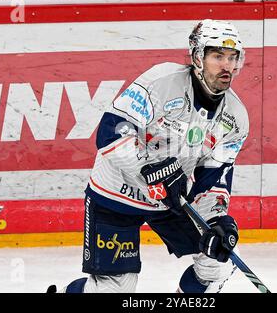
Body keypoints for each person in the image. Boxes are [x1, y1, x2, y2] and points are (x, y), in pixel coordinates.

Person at [48, 19, 250, 293]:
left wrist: (216, 220)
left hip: (171, 199)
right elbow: (111, 132)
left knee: (217, 260)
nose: (226, 66)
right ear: (197, 57)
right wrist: (152, 169)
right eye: (217, 56)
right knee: (114, 290)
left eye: (232, 57)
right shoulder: (162, 81)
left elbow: (212, 181)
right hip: (118, 193)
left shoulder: (235, 119)